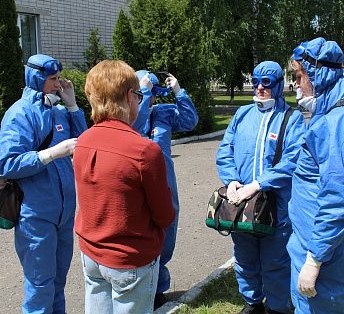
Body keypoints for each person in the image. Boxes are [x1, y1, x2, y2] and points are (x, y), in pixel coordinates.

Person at [73, 60, 175, 314]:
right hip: (131, 260)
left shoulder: (83, 140)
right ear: (130, 96)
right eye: (139, 95)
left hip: (91, 254)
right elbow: (165, 216)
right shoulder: (145, 150)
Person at [0, 54, 88, 313]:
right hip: (36, 214)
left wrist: (72, 107)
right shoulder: (19, 114)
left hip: (63, 213)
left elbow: (84, 144)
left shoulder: (59, 111)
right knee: (40, 284)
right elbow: (7, 164)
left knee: (58, 281)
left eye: (59, 78)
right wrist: (49, 154)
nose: (57, 84)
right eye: (52, 79)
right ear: (37, 78)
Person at [216, 61, 306, 314]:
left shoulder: (292, 118)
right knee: (244, 257)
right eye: (256, 82)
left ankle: (277, 307)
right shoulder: (242, 114)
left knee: (275, 259)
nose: (259, 88)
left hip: (276, 204)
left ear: (278, 85)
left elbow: (293, 159)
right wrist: (232, 180)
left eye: (266, 83)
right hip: (242, 203)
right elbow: (226, 151)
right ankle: (253, 303)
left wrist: (258, 184)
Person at [133, 70, 199, 309]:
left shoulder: (163, 112)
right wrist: (144, 93)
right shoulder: (129, 114)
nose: (152, 100)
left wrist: (179, 92)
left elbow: (190, 121)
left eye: (155, 94)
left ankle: (159, 290)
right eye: (147, 94)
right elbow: (137, 127)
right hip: (138, 185)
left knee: (167, 231)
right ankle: (141, 288)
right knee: (142, 234)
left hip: (165, 182)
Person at [287, 37, 344, 313]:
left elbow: (337, 198)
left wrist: (315, 260)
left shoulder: (335, 122)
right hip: (313, 249)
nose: (296, 85)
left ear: (317, 75)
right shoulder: (326, 114)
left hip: (326, 265)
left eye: (299, 77)